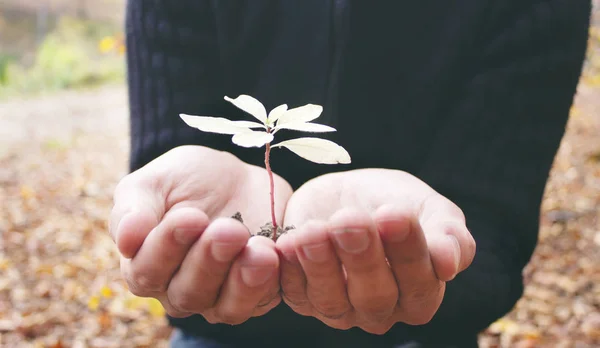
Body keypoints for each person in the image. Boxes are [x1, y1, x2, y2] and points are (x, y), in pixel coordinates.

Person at [109, 1, 592, 347]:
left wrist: (436, 266)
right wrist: (173, 217)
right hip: (216, 331)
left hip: (424, 335)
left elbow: (491, 228)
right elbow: (173, 150)